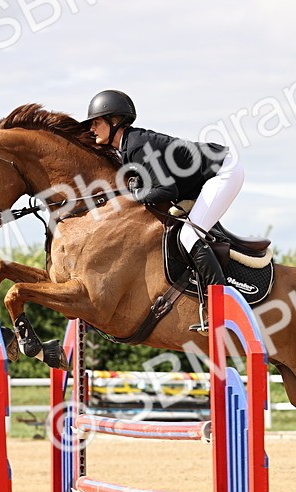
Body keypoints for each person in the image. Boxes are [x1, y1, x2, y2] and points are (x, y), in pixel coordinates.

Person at [84, 89, 245, 324]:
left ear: (114, 121)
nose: (92, 129)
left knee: (190, 236)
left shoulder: (137, 145)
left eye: (96, 122)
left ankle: (223, 308)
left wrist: (134, 195)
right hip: (198, 181)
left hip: (224, 172)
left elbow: (166, 191)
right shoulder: (128, 147)